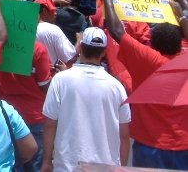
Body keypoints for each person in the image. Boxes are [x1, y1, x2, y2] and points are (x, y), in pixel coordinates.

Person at [100, 0, 188, 170]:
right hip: (184, 145)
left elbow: (117, 31)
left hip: (149, 145)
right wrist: (181, 7)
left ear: (153, 44)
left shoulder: (148, 60)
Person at [41, 27, 131, 172]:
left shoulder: (60, 80)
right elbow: (124, 136)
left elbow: (50, 124)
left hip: (67, 167)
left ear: (80, 47)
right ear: (103, 52)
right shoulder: (117, 87)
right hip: (105, 168)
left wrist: (46, 161)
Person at [0, 40, 51, 172]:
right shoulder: (37, 49)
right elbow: (45, 86)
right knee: (35, 167)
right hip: (34, 117)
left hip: (7, 117)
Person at [34, 0, 77, 66]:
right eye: (53, 10)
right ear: (45, 11)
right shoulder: (53, 29)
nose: (56, 14)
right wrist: (79, 42)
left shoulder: (25, 29)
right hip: (51, 75)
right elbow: (70, 58)